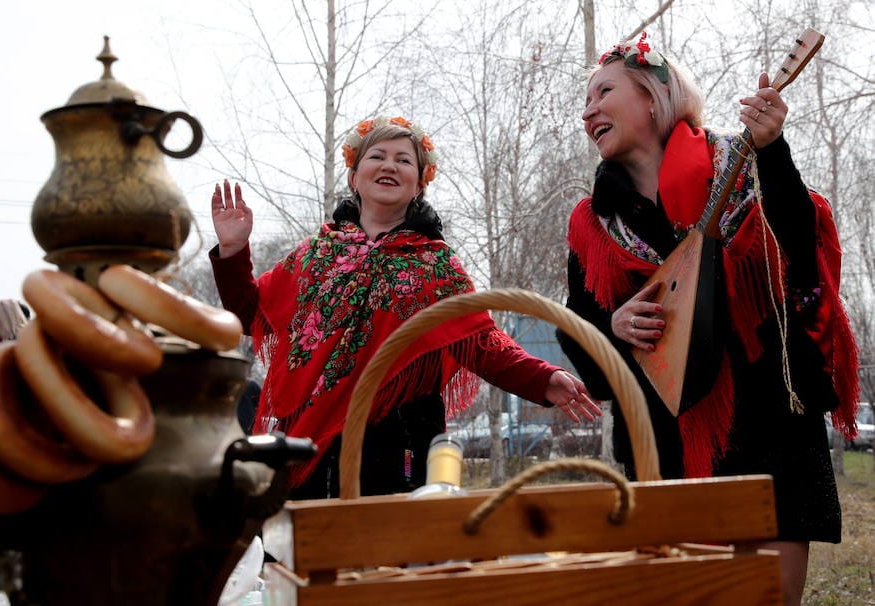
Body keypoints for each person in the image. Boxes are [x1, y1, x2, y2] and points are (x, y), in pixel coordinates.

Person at [556, 33, 859, 606]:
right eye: (585, 100)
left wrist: (773, 150)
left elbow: (803, 261)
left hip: (770, 427)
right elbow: (587, 354)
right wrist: (613, 328)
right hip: (666, 445)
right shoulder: (591, 226)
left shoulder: (745, 167)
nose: (588, 108)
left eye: (604, 92)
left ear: (653, 96)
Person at [210, 115, 601, 500]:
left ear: (419, 183)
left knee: (389, 549)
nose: (390, 165)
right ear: (354, 175)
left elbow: (481, 343)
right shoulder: (314, 256)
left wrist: (541, 378)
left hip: (397, 438)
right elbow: (251, 315)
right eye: (377, 155)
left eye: (404, 160)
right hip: (309, 441)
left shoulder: (436, 265)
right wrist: (232, 249)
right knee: (310, 550)